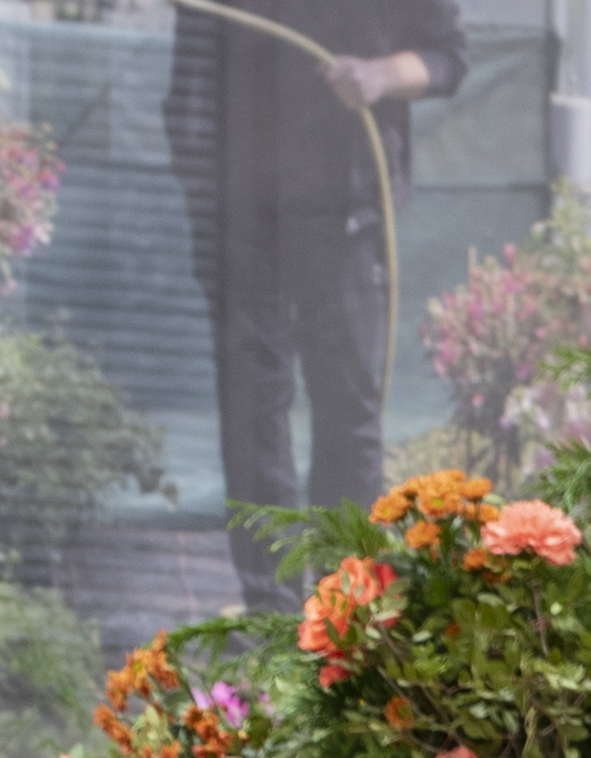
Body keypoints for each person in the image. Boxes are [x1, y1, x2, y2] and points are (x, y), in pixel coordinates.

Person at [166, 0, 465, 595]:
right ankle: (269, 614)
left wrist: (380, 75)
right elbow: (192, 72)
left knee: (348, 412)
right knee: (252, 406)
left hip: (346, 207)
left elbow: (447, 59)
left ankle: (343, 613)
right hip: (237, 206)